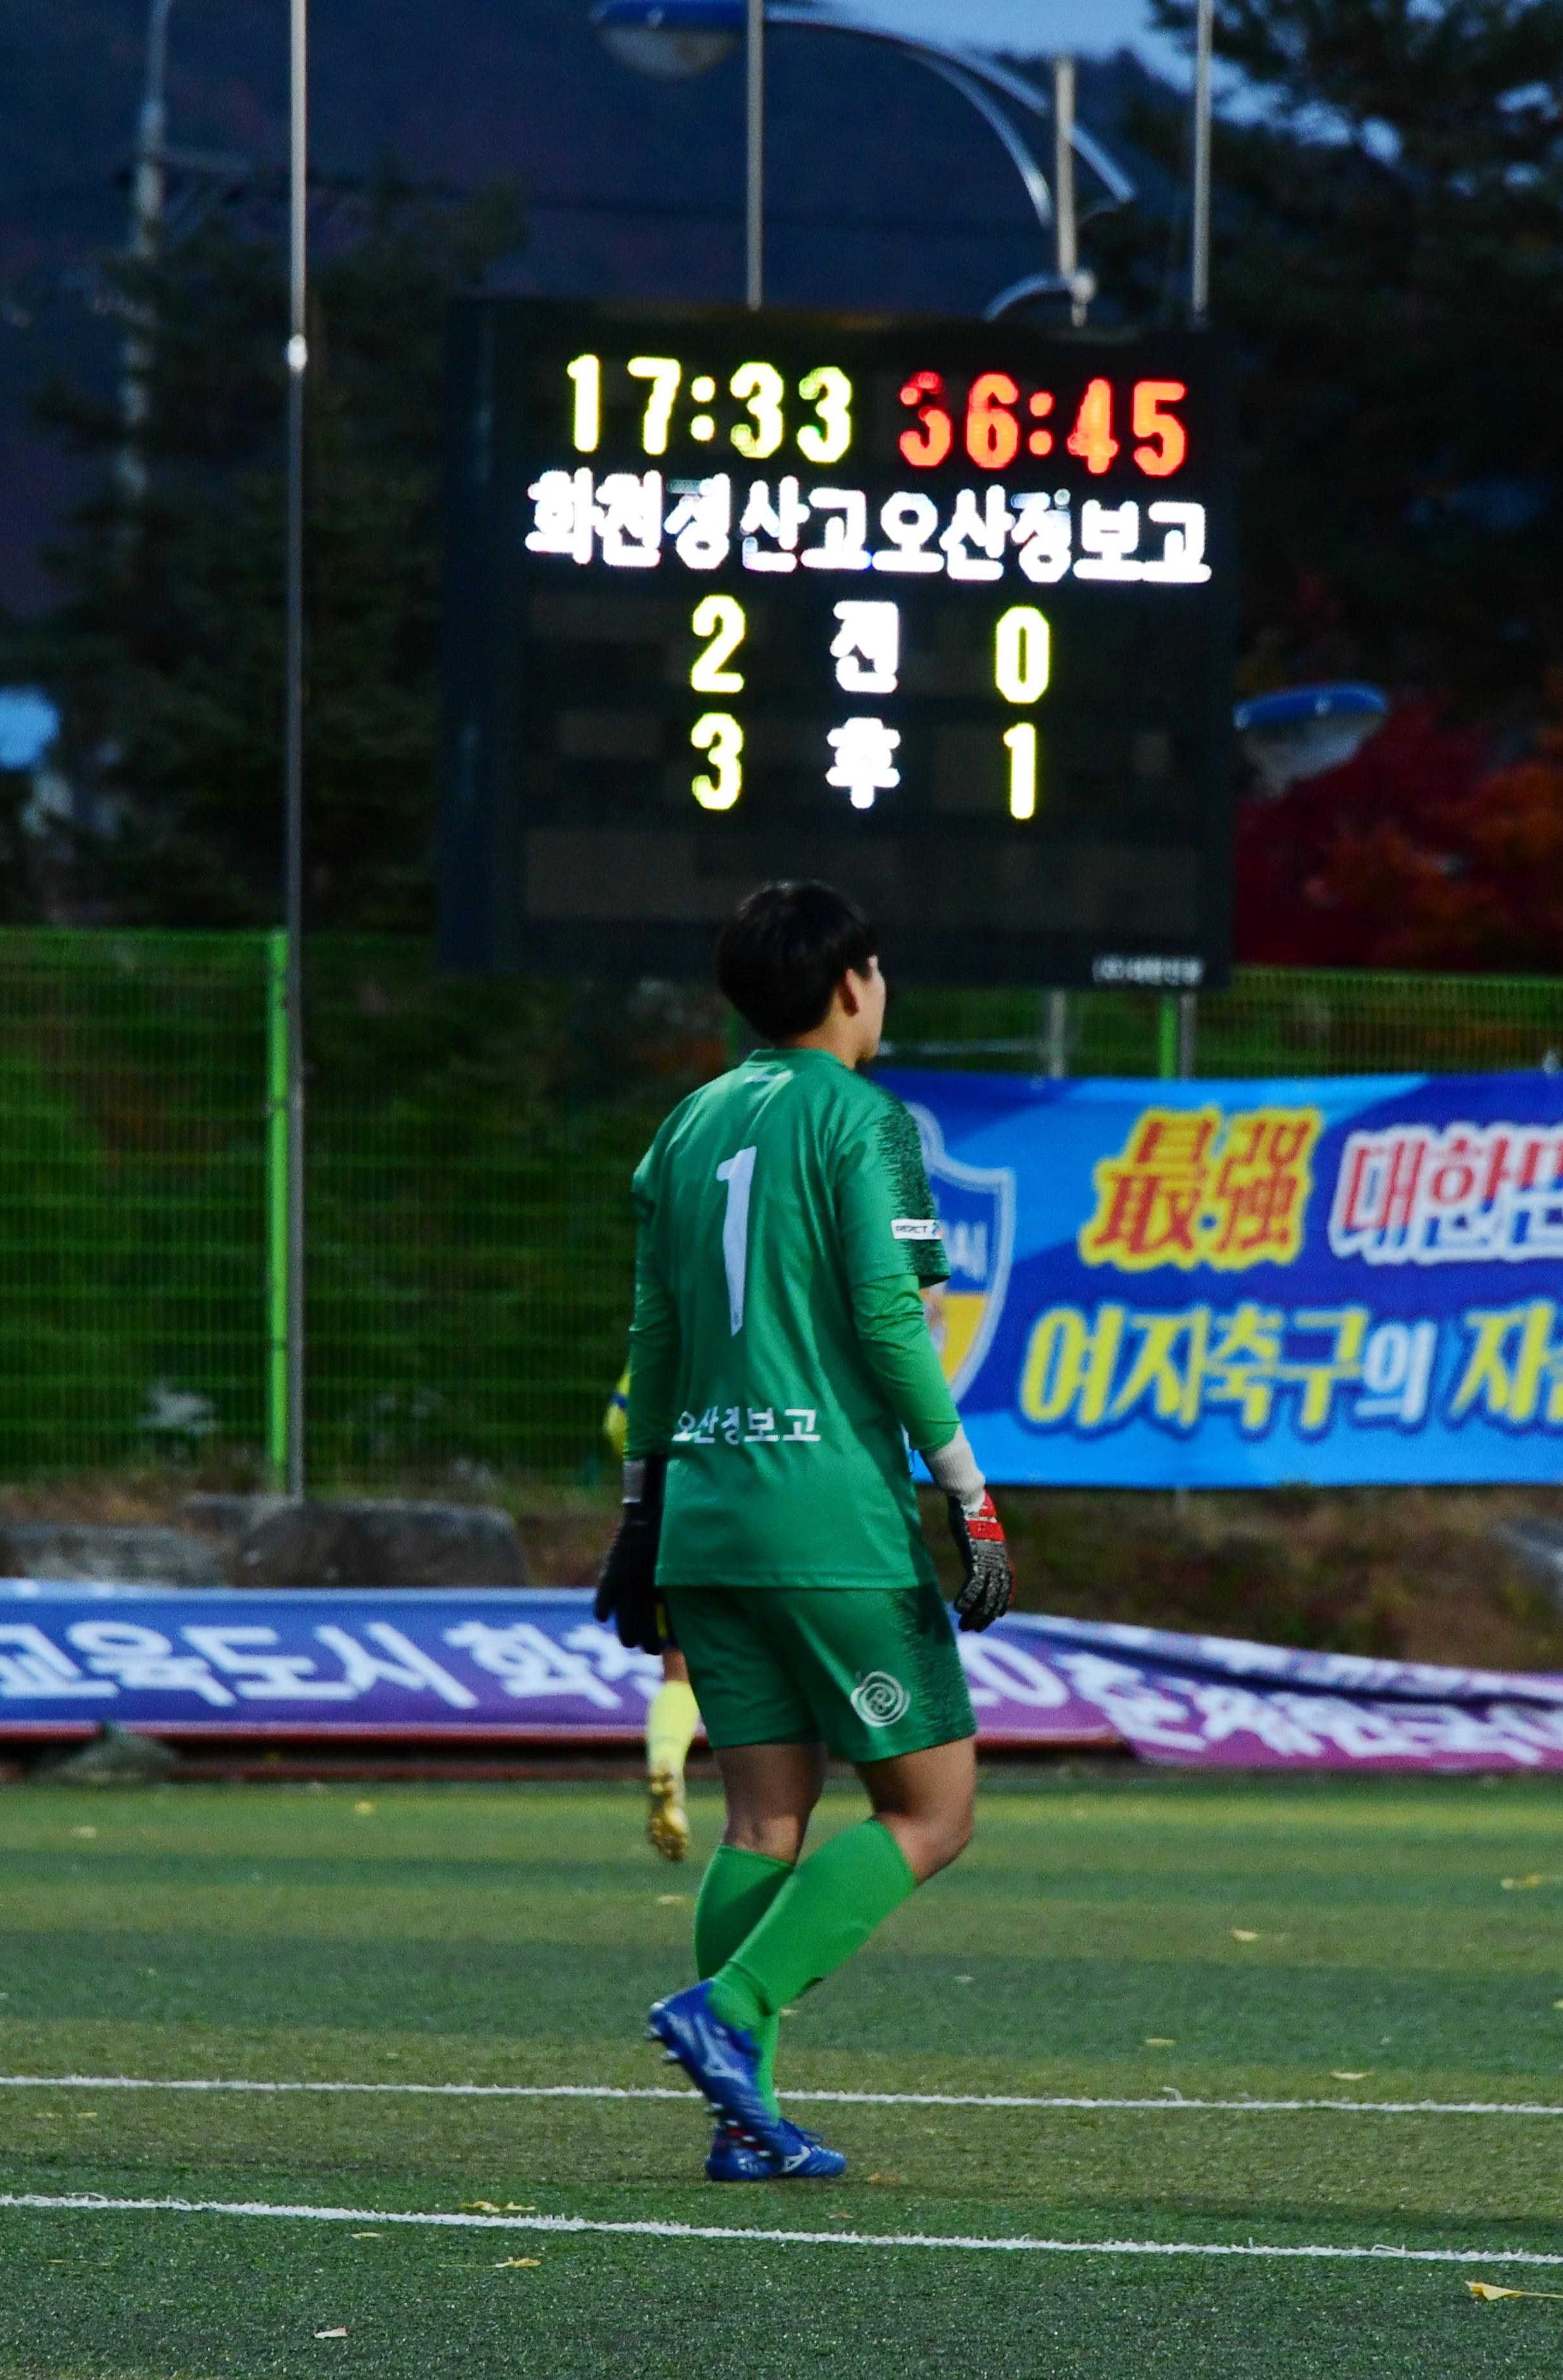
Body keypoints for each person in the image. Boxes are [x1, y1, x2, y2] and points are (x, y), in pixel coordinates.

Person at [594, 881, 1013, 2183]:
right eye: (878, 975)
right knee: (932, 1812)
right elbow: (893, 1323)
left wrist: (639, 1508)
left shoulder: (686, 1122)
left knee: (761, 1824)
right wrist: (969, 1490)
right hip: (830, 1517)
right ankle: (727, 2012)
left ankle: (746, 2121)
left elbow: (656, 1338)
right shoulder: (863, 1118)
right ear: (851, 985)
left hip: (706, 1519)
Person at [604, 1363, 705, 1863]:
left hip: (672, 1514)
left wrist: (640, 1502)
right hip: (762, 1511)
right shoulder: (779, 1318)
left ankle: (667, 1760)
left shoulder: (665, 1319)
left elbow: (618, 1424)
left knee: (680, 1673)